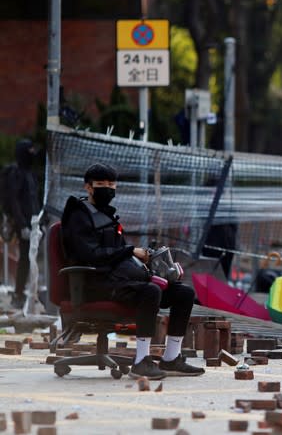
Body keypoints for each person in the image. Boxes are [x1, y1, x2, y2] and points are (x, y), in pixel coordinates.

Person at [61, 163, 204, 379]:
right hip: (96, 283)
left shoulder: (107, 216)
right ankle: (141, 362)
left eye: (112, 185)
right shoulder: (78, 217)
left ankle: (171, 358)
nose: (108, 189)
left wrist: (147, 263)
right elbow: (89, 255)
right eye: (101, 184)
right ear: (88, 188)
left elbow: (118, 252)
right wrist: (131, 251)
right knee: (150, 292)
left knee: (184, 293)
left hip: (120, 280)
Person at [4, 139, 39, 308]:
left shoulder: (30, 174)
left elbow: (34, 199)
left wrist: (41, 220)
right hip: (24, 224)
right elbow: (14, 200)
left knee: (31, 259)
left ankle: (28, 293)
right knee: (25, 258)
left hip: (34, 223)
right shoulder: (16, 173)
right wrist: (22, 224)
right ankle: (19, 294)